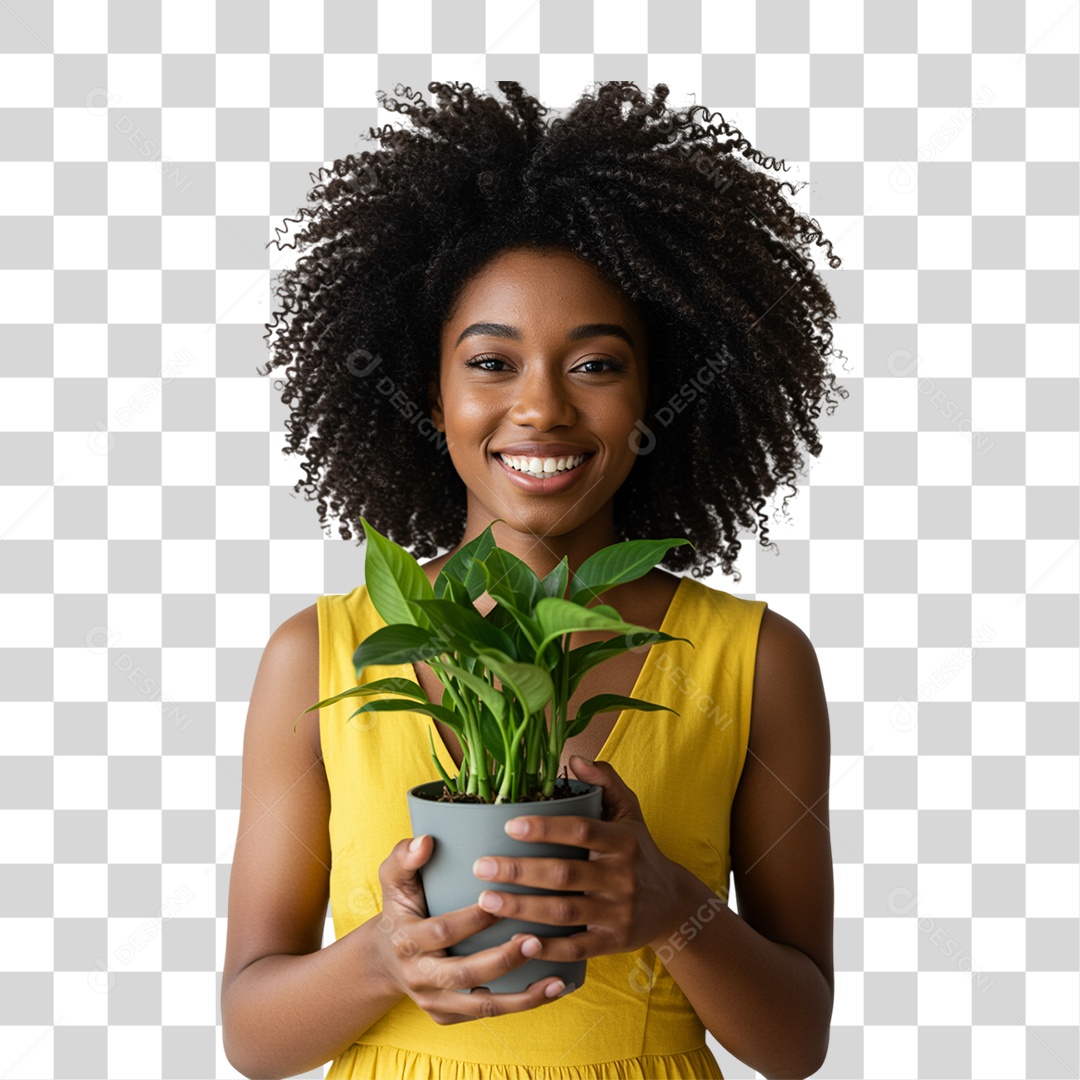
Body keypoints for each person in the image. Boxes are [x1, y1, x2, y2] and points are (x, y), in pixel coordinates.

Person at [221, 81, 847, 1080]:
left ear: (660, 388)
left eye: (596, 365)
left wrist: (671, 909)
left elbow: (794, 1040)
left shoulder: (756, 660)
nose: (543, 408)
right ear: (432, 389)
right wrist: (382, 961)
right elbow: (252, 1033)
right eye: (492, 363)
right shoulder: (319, 655)